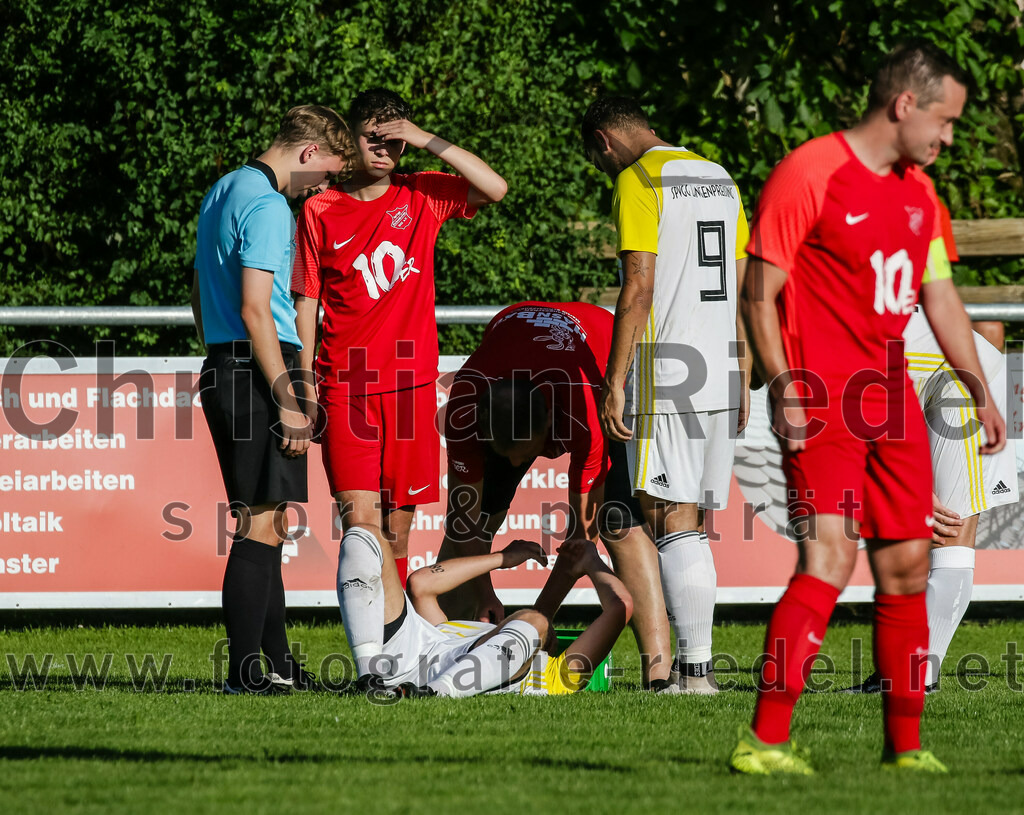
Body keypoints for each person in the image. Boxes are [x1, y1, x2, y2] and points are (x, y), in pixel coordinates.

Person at [734, 43, 1005, 774]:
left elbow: (940, 294)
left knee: (910, 563)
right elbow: (758, 290)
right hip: (823, 391)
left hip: (893, 396)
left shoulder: (920, 195)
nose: (948, 139)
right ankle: (762, 742)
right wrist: (783, 381)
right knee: (830, 553)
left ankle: (906, 748)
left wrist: (978, 383)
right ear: (905, 104)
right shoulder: (810, 170)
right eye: (945, 122)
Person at [292, 90, 507, 635]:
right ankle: (372, 652)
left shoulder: (423, 195)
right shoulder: (320, 208)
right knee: (359, 526)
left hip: (411, 389)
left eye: (394, 138)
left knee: (398, 530)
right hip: (345, 386)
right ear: (352, 140)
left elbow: (495, 188)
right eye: (373, 136)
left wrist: (423, 137)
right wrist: (303, 385)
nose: (385, 147)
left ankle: (397, 641)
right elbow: (307, 304)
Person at [581, 97, 751, 693]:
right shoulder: (719, 176)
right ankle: (694, 669)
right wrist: (744, 362)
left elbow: (639, 284)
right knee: (693, 522)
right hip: (719, 364)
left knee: (671, 520)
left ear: (605, 141)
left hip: (670, 363)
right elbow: (737, 282)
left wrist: (616, 377)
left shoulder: (638, 178)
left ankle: (696, 675)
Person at [192, 105, 354, 694]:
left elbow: (198, 286)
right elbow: (257, 307)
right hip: (258, 368)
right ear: (309, 153)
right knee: (258, 524)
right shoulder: (267, 205)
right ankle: (244, 673)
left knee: (272, 521)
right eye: (329, 173)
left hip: (228, 361)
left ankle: (279, 666)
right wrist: (287, 396)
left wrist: (221, 353)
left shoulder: (223, 188)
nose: (326, 186)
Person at [439, 301, 675, 691]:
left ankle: (659, 675)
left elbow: (583, 540)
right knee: (472, 523)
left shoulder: (583, 411)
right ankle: (444, 648)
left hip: (606, 364)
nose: (519, 462)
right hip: (511, 365)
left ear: (549, 425)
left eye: (525, 450)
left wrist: (536, 621)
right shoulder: (465, 404)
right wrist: (485, 595)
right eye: (507, 454)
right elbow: (463, 522)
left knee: (619, 524)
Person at [845, 200, 1019, 695]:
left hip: (959, 374)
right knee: (926, 533)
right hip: (947, 366)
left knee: (949, 532)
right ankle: (909, 670)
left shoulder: (830, 328)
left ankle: (914, 673)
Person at [337, 527, 631, 697]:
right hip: (406, 656)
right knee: (365, 535)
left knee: (536, 620)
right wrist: (502, 558)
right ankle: (368, 678)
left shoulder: (556, 675)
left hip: (451, 680)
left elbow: (622, 607)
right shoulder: (456, 632)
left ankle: (436, 694)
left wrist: (594, 563)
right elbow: (421, 583)